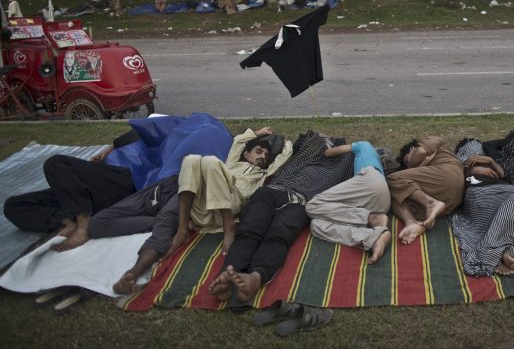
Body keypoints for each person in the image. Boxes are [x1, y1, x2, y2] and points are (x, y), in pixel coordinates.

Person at [92, 127, 290, 295]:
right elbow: (239, 140)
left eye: (265, 155)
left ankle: (229, 227)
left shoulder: (263, 174)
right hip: (203, 208)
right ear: (246, 154)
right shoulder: (233, 163)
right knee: (192, 159)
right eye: (258, 151)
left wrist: (284, 143)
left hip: (231, 204)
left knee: (210, 162)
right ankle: (138, 269)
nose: (262, 156)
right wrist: (259, 132)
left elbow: (284, 155)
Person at [209, 130, 354, 304]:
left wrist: (342, 147)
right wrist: (320, 138)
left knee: (279, 235)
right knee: (249, 231)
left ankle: (256, 277)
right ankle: (227, 274)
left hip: (299, 201)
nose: (326, 141)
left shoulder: (347, 159)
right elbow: (305, 141)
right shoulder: (305, 152)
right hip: (271, 191)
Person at [3, 130, 140, 252]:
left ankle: (83, 222)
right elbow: (128, 136)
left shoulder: (158, 131)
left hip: (122, 182)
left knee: (55, 163)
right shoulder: (142, 130)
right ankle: (68, 219)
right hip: (88, 191)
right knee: (13, 206)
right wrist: (109, 149)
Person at [449, 153, 514, 285]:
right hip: (484, 193)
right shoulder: (467, 171)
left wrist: (491, 161)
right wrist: (470, 169)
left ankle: (505, 249)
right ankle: (498, 251)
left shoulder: (496, 167)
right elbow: (454, 173)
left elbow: (505, 176)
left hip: (508, 194)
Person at [304, 141, 392, 265]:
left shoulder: (364, 145)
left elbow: (329, 153)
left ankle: (371, 218)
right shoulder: (377, 160)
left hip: (370, 181)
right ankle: (372, 237)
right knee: (316, 225)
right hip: (382, 203)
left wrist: (324, 149)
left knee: (313, 206)